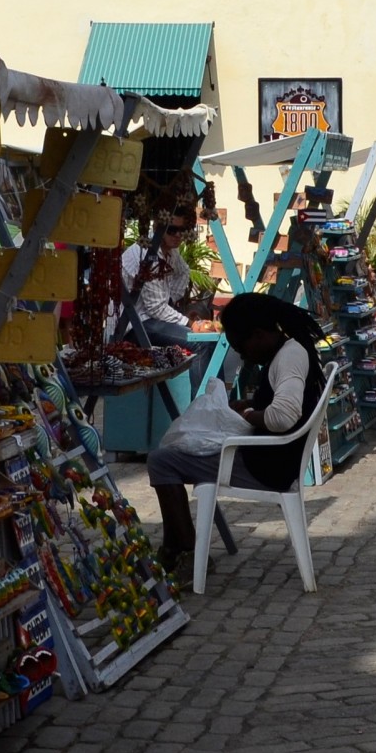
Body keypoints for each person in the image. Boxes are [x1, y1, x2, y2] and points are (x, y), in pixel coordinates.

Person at [146, 293, 325, 586]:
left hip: (266, 467)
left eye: (242, 348)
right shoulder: (289, 350)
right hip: (270, 459)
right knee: (172, 454)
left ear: (258, 335)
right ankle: (172, 548)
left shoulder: (290, 357)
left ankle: (190, 553)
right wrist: (247, 405)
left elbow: (282, 417)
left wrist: (250, 413)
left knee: (161, 461)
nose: (243, 356)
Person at [120, 208, 218, 385]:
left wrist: (171, 300)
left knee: (211, 340)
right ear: (159, 227)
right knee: (201, 343)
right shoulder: (146, 253)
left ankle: (218, 401)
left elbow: (183, 272)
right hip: (133, 326)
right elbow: (156, 309)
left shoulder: (170, 252)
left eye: (182, 230)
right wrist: (191, 323)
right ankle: (202, 407)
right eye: (172, 230)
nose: (178, 235)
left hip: (151, 320)